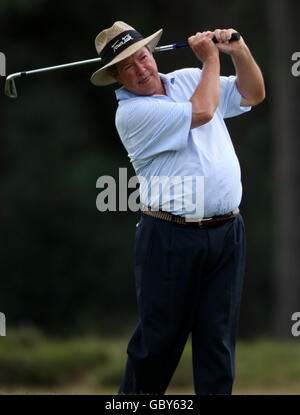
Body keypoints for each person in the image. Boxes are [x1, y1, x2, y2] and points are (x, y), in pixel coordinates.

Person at [91, 21, 265, 395]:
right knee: (158, 346)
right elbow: (202, 111)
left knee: (217, 346)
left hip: (227, 234)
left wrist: (239, 51)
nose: (141, 69)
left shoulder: (188, 77)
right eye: (129, 67)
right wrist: (211, 59)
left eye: (143, 57)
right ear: (118, 78)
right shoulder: (131, 115)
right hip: (170, 238)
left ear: (152, 54)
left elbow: (252, 94)